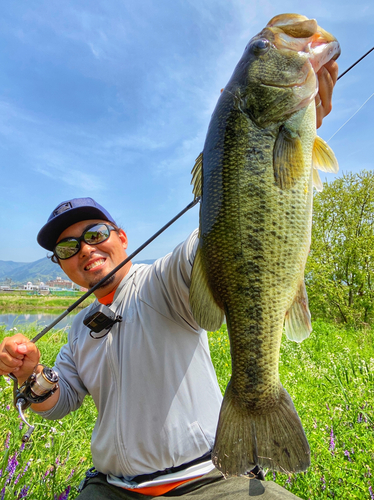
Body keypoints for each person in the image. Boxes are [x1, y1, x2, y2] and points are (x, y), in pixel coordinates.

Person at [0, 60, 338, 499]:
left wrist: (270, 145)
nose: (84, 249)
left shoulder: (163, 281)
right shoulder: (80, 329)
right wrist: (30, 377)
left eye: (95, 234)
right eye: (66, 248)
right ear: (61, 264)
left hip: (209, 480)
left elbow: (219, 241)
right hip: (112, 489)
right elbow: (58, 401)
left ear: (121, 238)